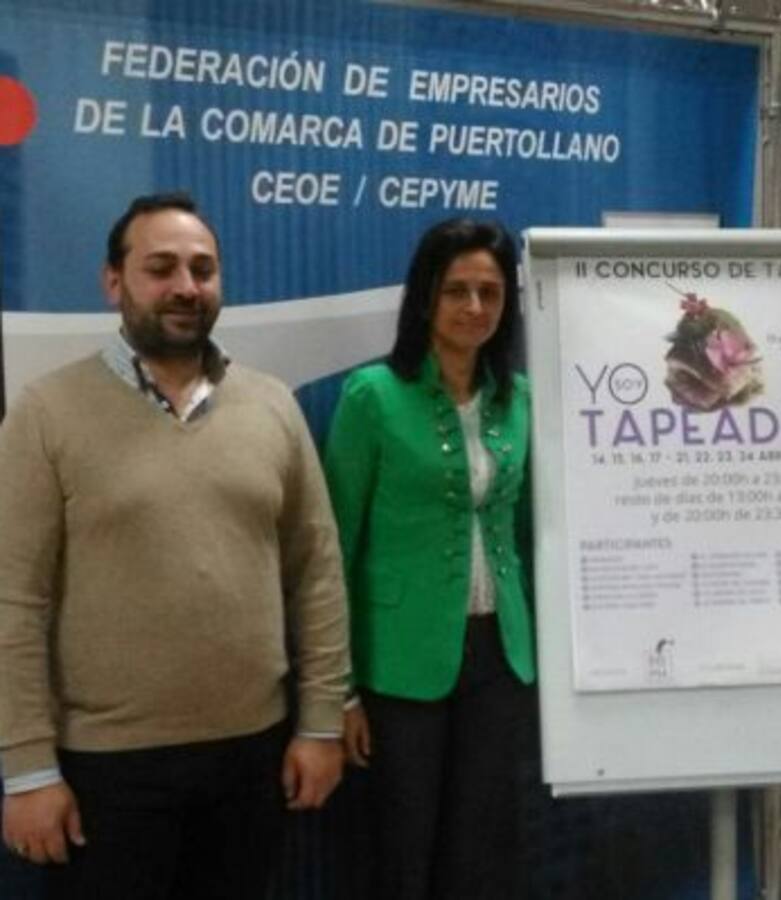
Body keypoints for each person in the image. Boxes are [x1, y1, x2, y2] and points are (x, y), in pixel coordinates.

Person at [0, 192, 350, 899]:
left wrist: (321, 723)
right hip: (107, 773)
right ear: (114, 282)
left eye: (202, 269)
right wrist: (28, 769)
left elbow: (315, 573)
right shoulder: (46, 411)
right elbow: (15, 599)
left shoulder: (272, 405)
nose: (186, 287)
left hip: (253, 758)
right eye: (161, 268)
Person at [323, 218, 535, 900]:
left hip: (500, 657)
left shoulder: (521, 400)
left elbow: (529, 532)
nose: (475, 307)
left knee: (483, 854)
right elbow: (332, 551)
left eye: (490, 293)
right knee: (400, 851)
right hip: (397, 662)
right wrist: (339, 692)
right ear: (425, 298)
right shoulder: (373, 397)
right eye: (456, 291)